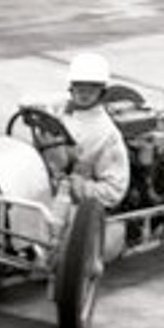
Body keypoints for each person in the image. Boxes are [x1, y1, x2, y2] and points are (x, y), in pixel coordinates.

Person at [44, 52, 130, 210]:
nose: (84, 92)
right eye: (79, 86)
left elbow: (113, 192)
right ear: (71, 87)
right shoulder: (60, 109)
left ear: (102, 92)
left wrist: (77, 186)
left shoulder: (106, 133)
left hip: (73, 204)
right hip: (45, 182)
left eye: (92, 88)